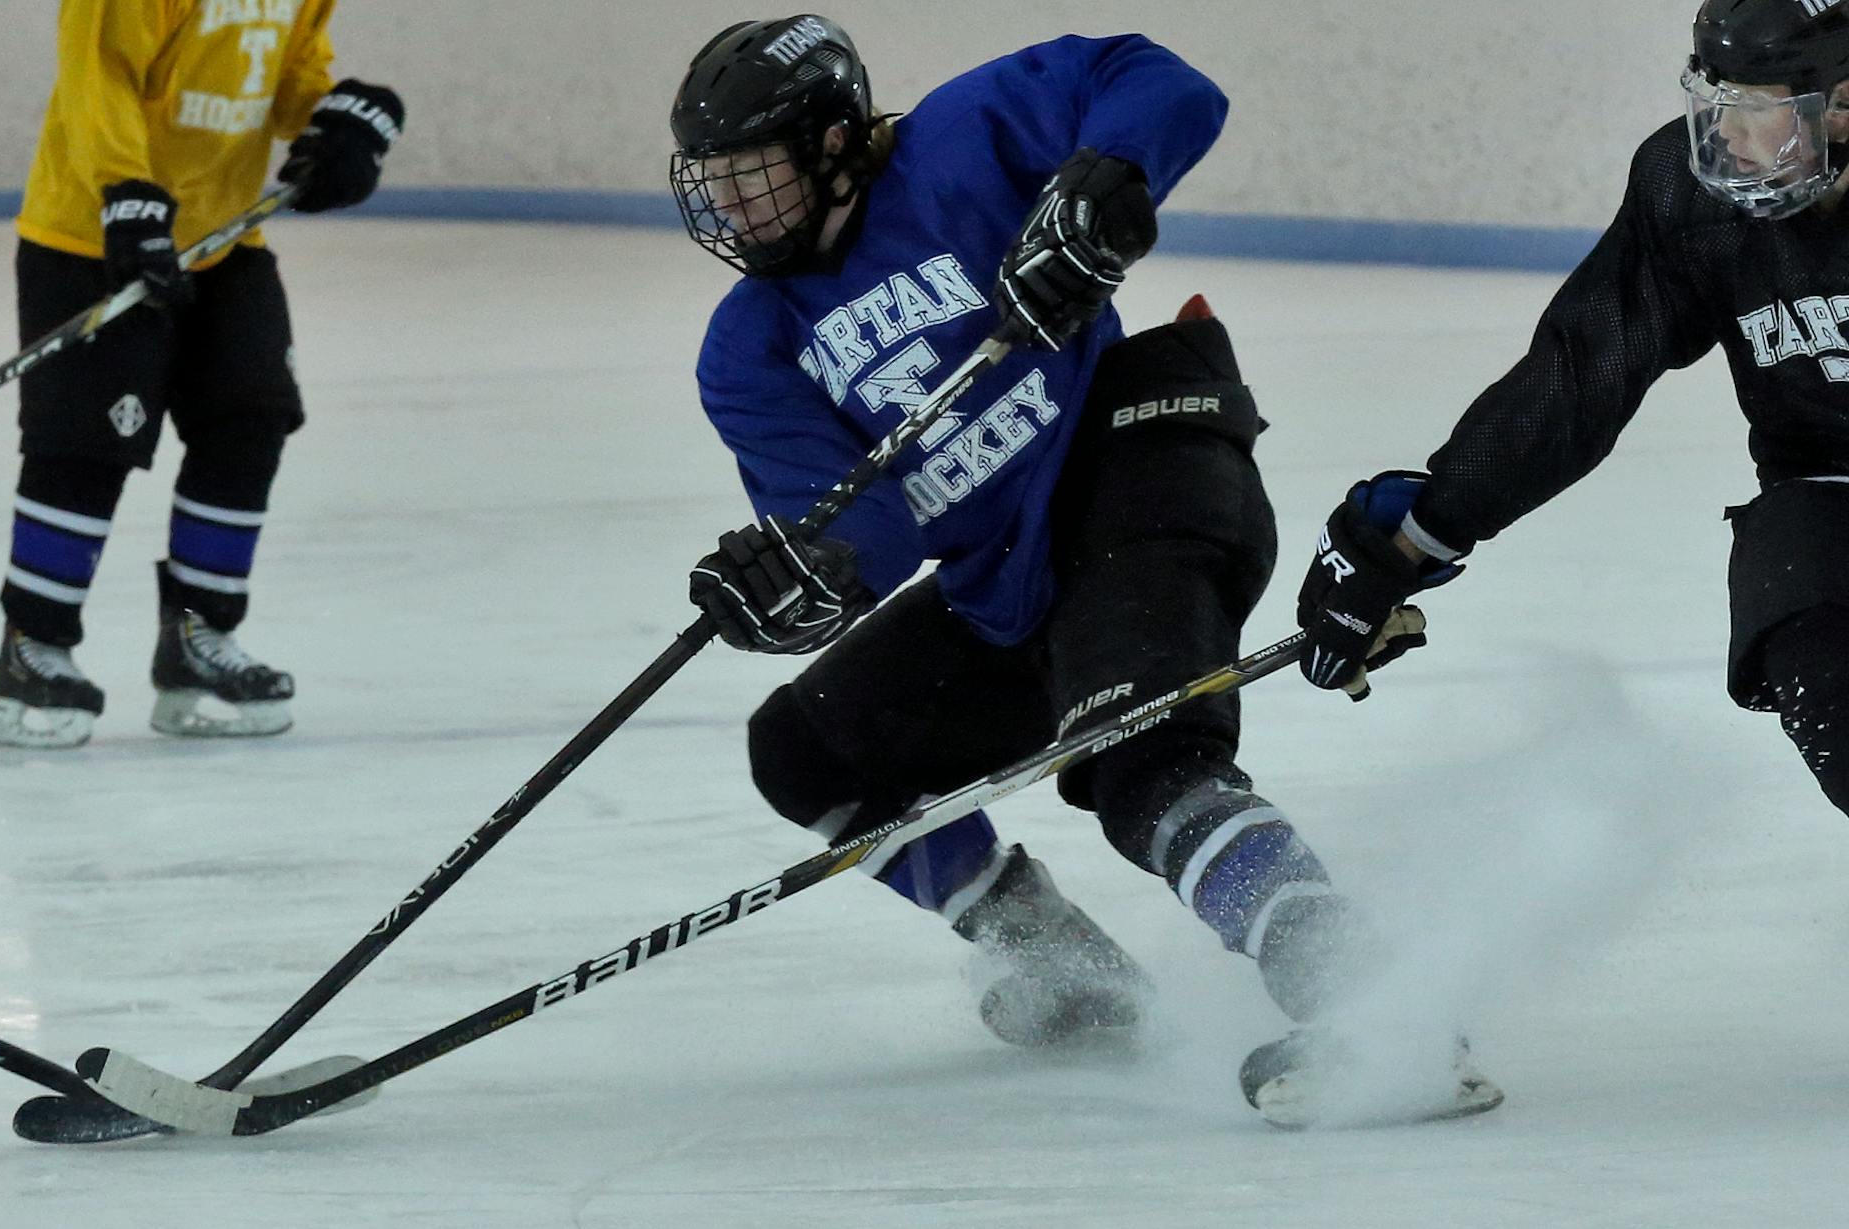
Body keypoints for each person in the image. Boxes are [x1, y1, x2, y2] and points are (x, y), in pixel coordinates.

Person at [670, 15, 1499, 1125]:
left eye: (750, 176)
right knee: (804, 747)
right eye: (711, 183)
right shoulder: (749, 346)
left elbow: (1159, 81)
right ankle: (1060, 963)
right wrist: (800, 577)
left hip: (1143, 466)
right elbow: (868, 537)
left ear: (830, 142)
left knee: (1138, 751)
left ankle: (1373, 1000)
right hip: (1009, 587)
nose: (728, 207)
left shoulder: (958, 142)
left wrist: (1102, 182)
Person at [1294, 0, 1849, 826]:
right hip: (1822, 491)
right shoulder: (1687, 194)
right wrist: (1408, 544)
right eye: (1712, 99)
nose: (1722, 134)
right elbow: (1581, 375)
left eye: (1752, 106)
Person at [0, 0, 404, 749]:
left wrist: (331, 118)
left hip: (221, 233)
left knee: (252, 414)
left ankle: (197, 636)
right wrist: (125, 189)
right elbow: (97, 77)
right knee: (85, 446)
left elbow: (288, 68)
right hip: (94, 230)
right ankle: (33, 646)